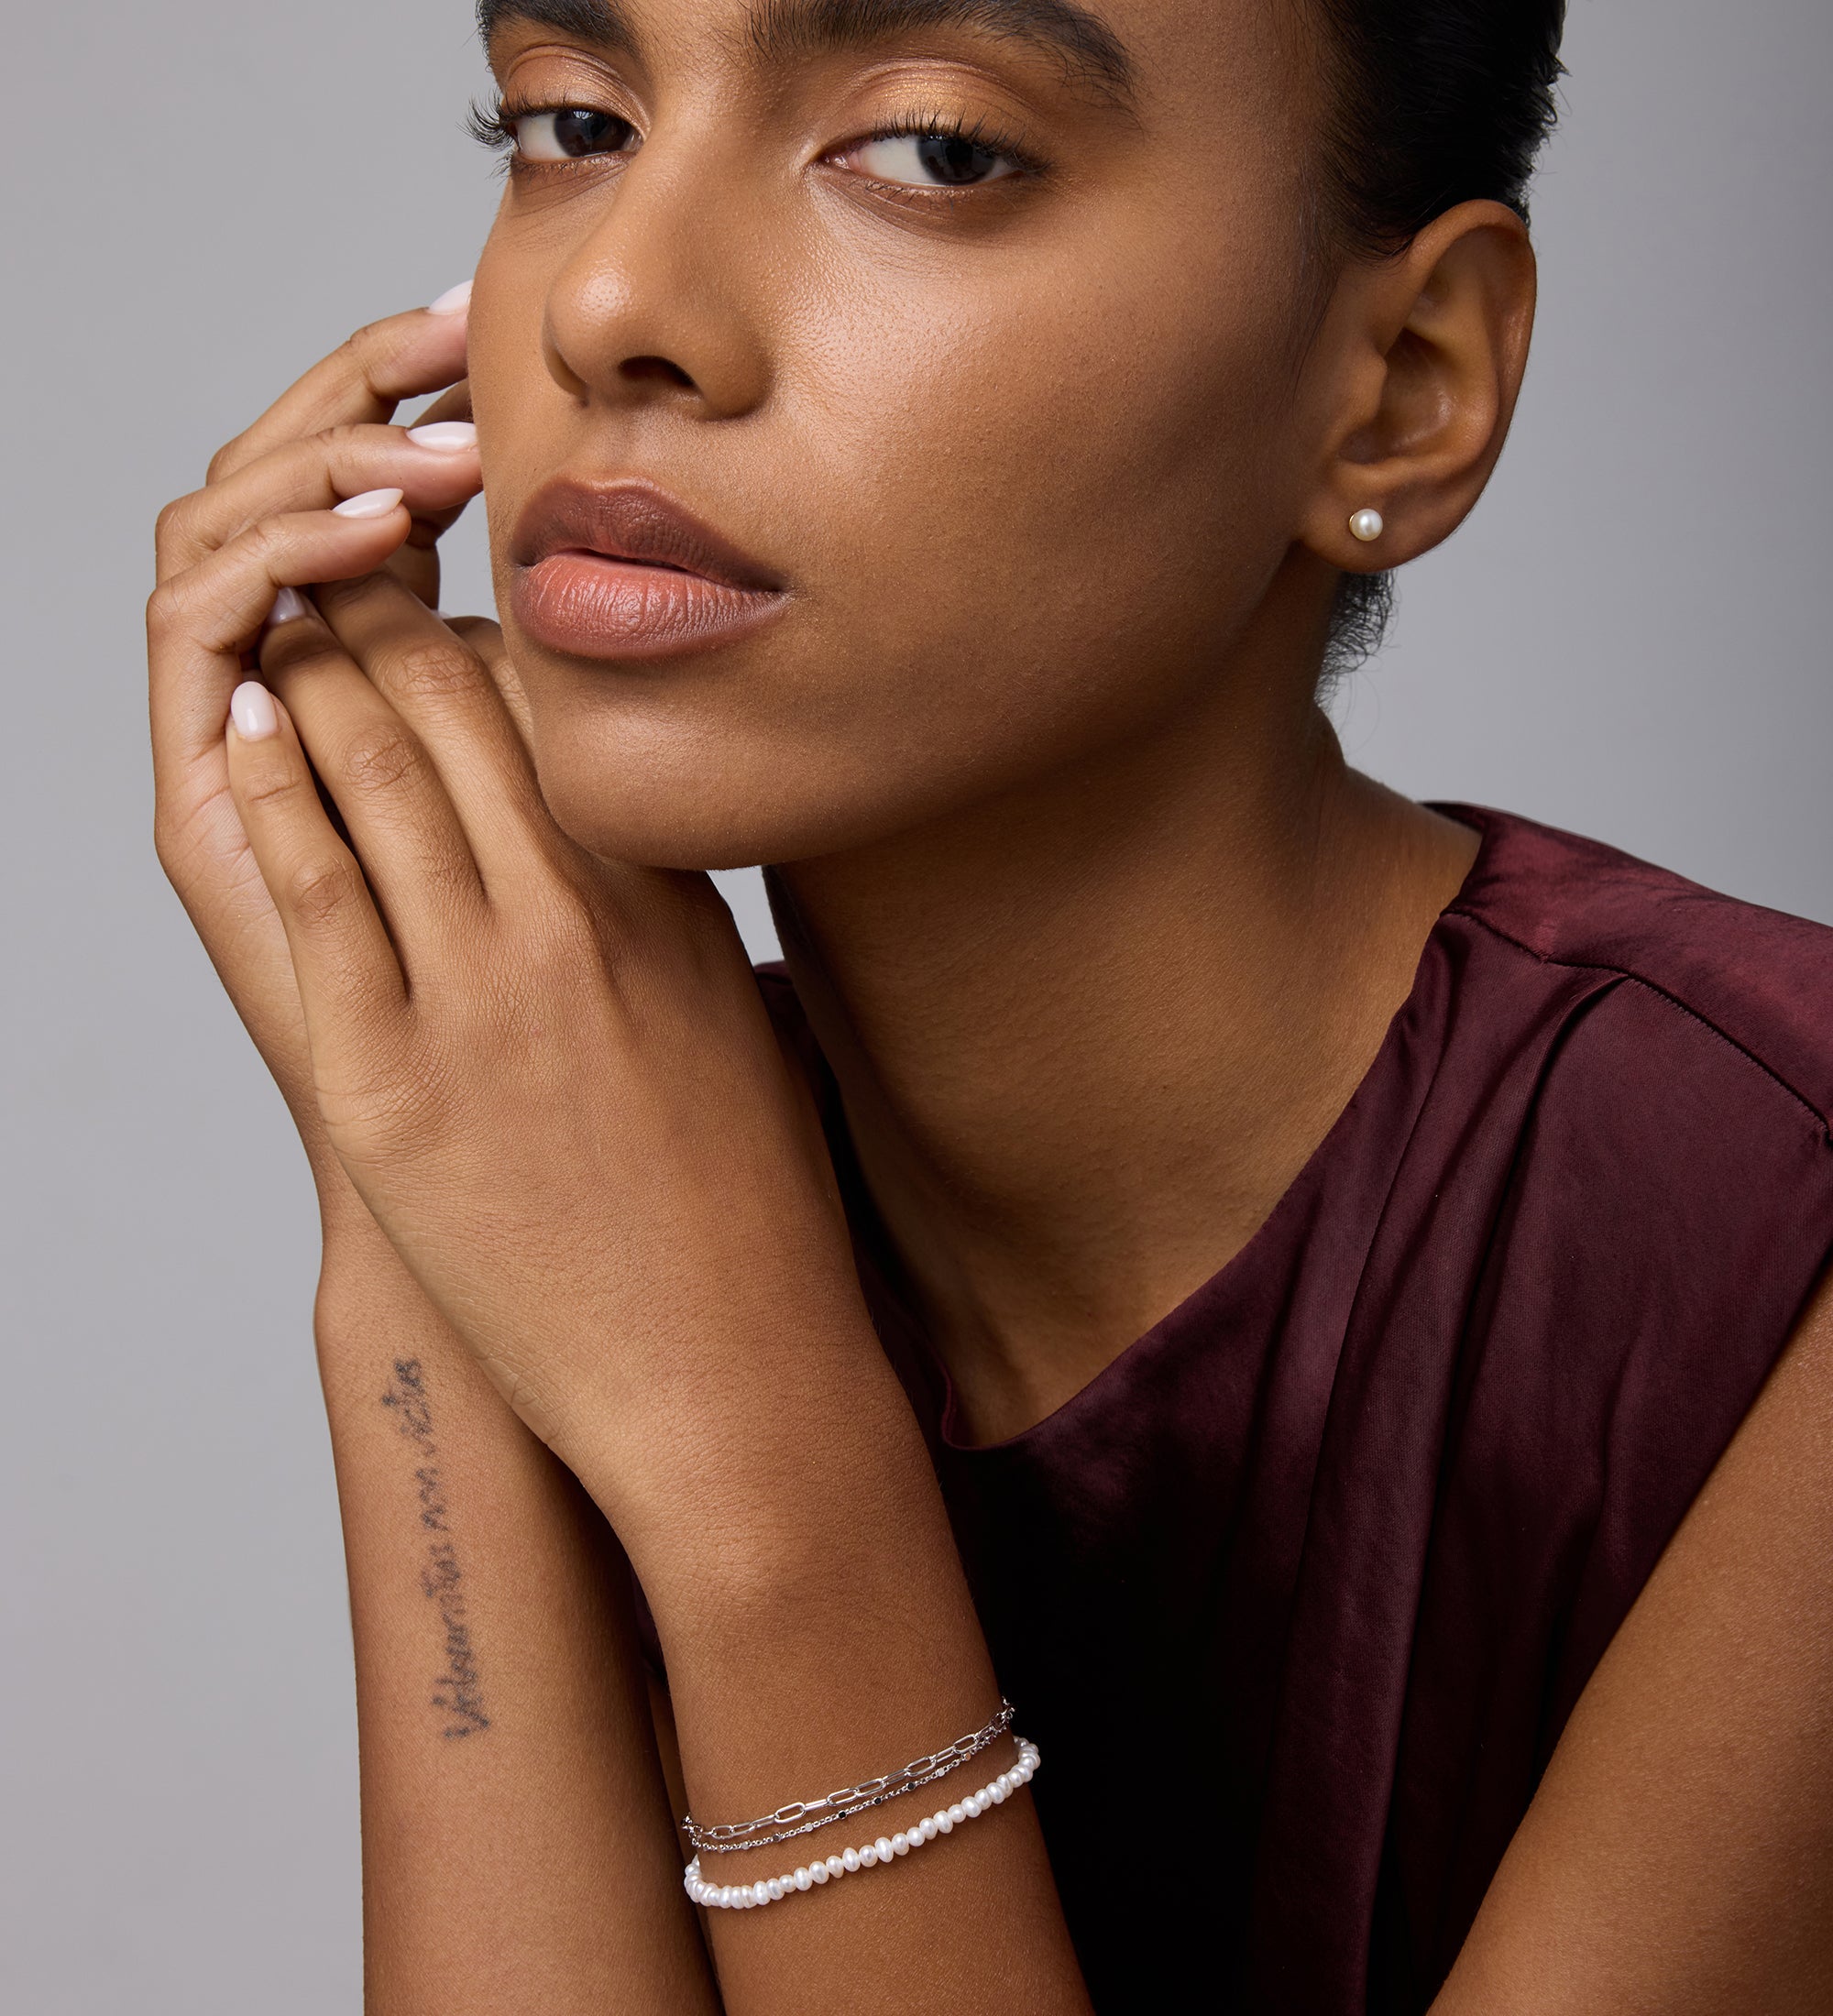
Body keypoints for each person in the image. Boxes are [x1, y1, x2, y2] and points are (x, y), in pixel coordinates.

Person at [146, 1, 1833, 2009]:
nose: (609, 300)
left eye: (936, 147)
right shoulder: (572, 1134)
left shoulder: (1773, 1236)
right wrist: (404, 1129)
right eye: (571, 118)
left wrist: (759, 1460)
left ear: (1397, 384)